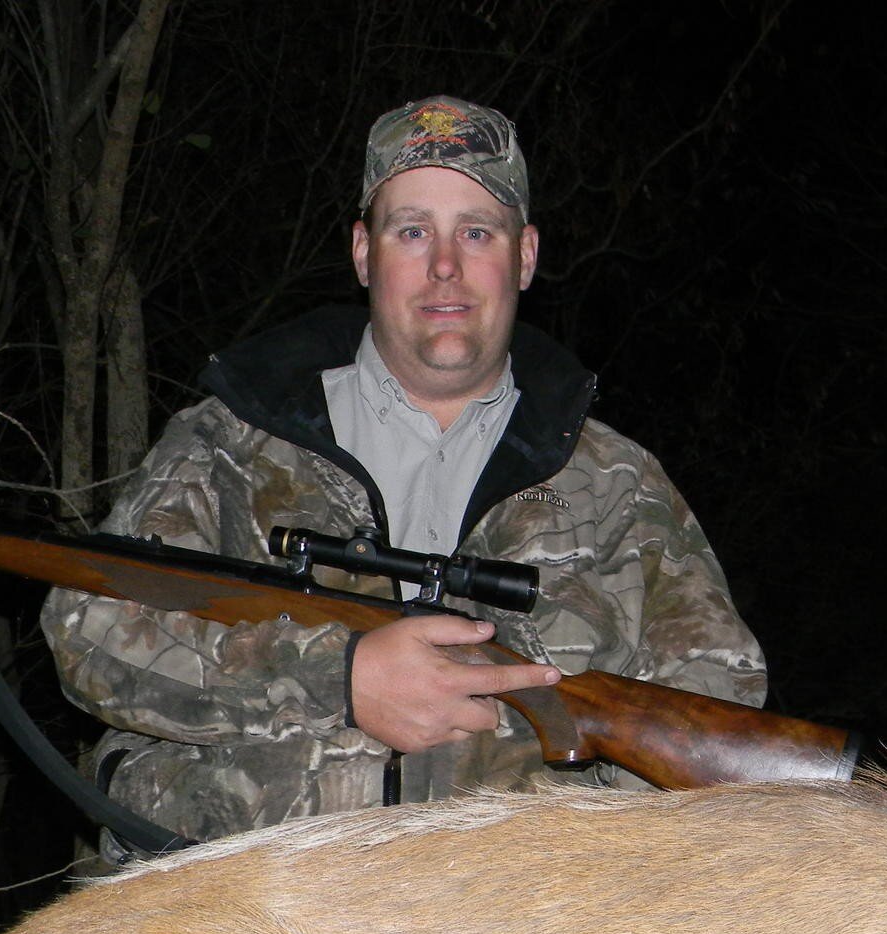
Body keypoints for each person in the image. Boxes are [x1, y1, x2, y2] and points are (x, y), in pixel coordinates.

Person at [43, 96, 766, 852]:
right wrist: (338, 678)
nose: (444, 266)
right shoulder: (231, 445)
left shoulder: (618, 488)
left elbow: (720, 726)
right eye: (412, 230)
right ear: (364, 252)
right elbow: (87, 630)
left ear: (524, 256)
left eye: (477, 232)